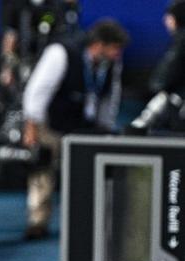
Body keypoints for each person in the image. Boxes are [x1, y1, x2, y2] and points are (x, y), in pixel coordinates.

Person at [21, 19, 129, 240]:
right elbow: (37, 91)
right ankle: (37, 222)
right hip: (52, 122)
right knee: (43, 170)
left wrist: (106, 128)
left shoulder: (112, 63)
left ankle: (89, 223)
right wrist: (32, 127)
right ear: (99, 44)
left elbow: (110, 97)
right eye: (114, 48)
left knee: (90, 173)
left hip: (85, 125)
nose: (117, 54)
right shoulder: (61, 53)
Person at [129, 0, 185, 133]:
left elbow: (164, 78)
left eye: (169, 17)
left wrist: (157, 87)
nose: (165, 20)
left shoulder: (181, 41)